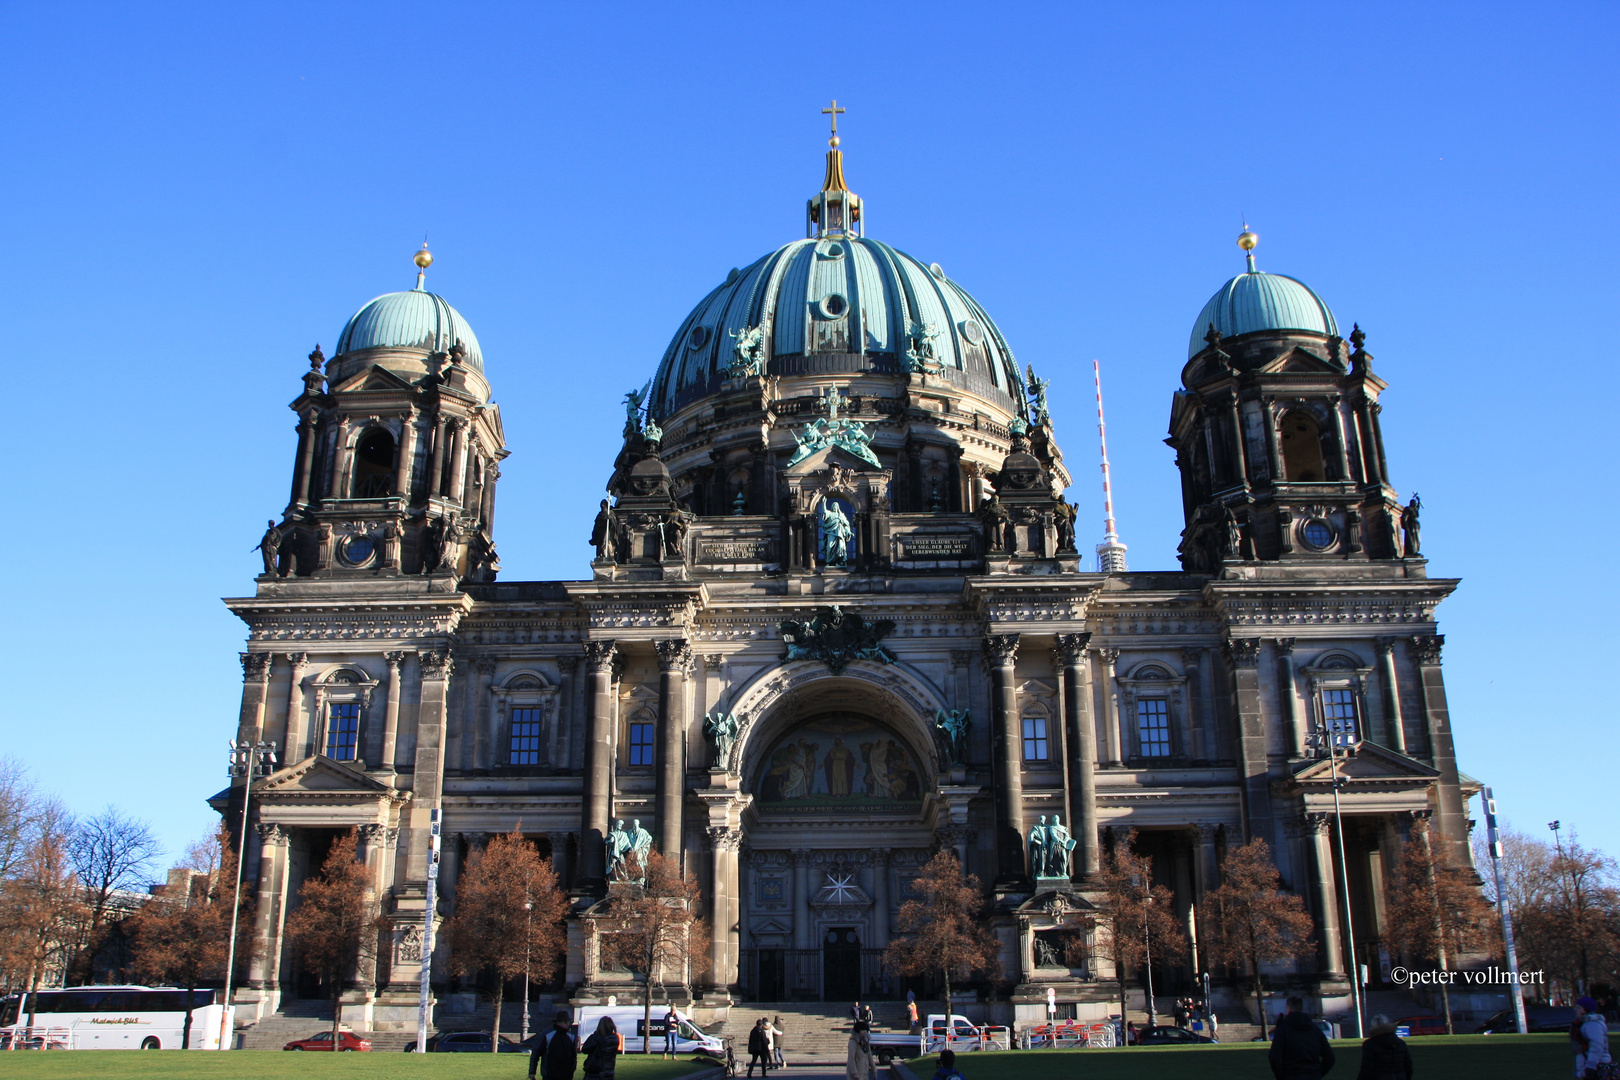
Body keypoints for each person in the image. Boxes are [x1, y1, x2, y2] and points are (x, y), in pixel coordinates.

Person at [1269, 996, 1335, 1080]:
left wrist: (1281, 1076)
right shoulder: (1315, 1030)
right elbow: (1330, 1058)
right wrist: (1317, 1074)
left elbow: (1274, 1057)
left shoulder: (1283, 1029)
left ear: (1288, 1008)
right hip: (1312, 1075)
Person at [530, 1010, 578, 1080]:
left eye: (568, 1022)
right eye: (565, 1022)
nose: (567, 1024)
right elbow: (536, 1053)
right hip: (550, 1074)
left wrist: (572, 1069)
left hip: (567, 1075)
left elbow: (573, 1056)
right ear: (558, 1022)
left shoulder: (571, 1037)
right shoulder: (548, 1035)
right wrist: (532, 1072)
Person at [1573, 996, 1612, 1079]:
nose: (1576, 1010)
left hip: (1597, 1066)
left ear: (1584, 1010)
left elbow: (1596, 1046)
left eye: (1578, 1008)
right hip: (1593, 1064)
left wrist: (1590, 1066)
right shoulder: (1587, 1024)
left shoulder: (1592, 1024)